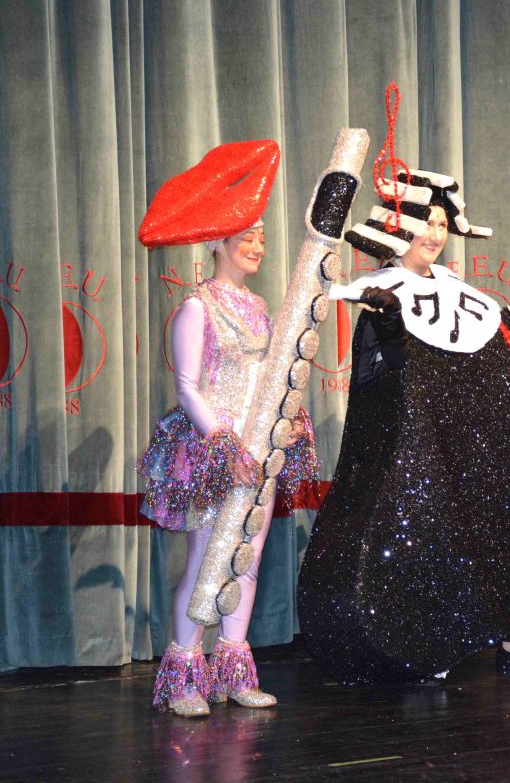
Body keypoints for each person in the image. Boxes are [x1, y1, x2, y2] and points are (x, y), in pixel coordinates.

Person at [297, 164, 510, 685]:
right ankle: (430, 644)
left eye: (443, 224)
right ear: (397, 227)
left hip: (470, 450)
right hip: (419, 455)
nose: (435, 234)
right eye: (425, 222)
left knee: (498, 528)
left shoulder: (454, 287)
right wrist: (389, 326)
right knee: (426, 540)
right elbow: (387, 379)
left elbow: (469, 348)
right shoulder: (382, 290)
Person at [137, 140, 319, 716]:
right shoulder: (198, 306)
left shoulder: (260, 308)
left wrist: (287, 423)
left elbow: (271, 379)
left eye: (262, 237)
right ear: (218, 242)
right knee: (204, 559)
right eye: (247, 238)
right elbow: (187, 387)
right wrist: (224, 443)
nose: (258, 246)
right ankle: (183, 678)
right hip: (214, 453)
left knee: (248, 558)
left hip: (258, 453)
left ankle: (234, 670)